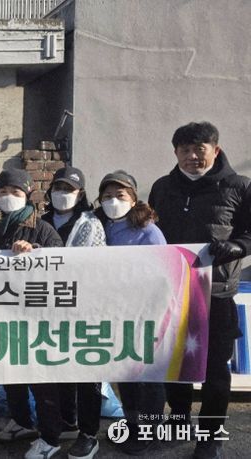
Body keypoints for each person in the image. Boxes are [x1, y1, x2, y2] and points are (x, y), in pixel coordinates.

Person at [149, 122, 251, 459]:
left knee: (216, 369)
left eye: (200, 149)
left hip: (216, 293)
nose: (192, 156)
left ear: (215, 150)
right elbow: (150, 232)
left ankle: (210, 437)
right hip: (170, 290)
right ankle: (178, 421)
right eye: (185, 150)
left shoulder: (240, 186)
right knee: (173, 362)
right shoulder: (162, 187)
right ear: (175, 152)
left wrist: (238, 246)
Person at [0, 169, 64, 459]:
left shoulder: (42, 228)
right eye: (3, 192)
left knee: (41, 379)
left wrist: (35, 251)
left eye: (16, 192)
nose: (9, 197)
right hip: (0, 312)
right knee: (10, 372)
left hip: (36, 316)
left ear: (28, 196)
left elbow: (61, 263)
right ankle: (21, 422)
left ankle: (50, 437)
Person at [32, 166, 106, 459]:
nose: (63, 194)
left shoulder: (91, 223)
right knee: (58, 366)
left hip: (84, 307)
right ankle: (67, 421)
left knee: (87, 372)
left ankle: (89, 434)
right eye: (58, 188)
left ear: (81, 193)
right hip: (48, 307)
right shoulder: (41, 221)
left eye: (70, 189)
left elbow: (93, 264)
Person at [97, 170, 166, 456]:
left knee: (148, 374)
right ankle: (133, 423)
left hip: (144, 313)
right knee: (125, 371)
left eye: (120, 195)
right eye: (107, 196)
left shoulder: (147, 230)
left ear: (134, 199)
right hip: (112, 312)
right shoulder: (98, 225)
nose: (113, 201)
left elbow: (161, 270)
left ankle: (150, 430)